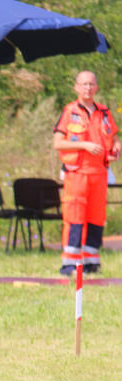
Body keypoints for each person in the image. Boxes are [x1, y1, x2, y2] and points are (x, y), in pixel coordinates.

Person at [53, 71, 120, 275]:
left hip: (99, 173)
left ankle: (92, 262)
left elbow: (115, 137)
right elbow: (58, 143)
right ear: (76, 87)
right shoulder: (69, 111)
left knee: (96, 217)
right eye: (84, 84)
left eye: (91, 84)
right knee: (75, 217)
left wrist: (117, 147)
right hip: (77, 173)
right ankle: (70, 264)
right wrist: (84, 145)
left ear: (96, 87)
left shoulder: (104, 112)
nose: (88, 88)